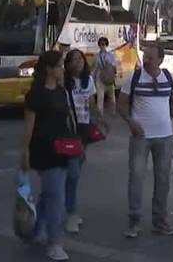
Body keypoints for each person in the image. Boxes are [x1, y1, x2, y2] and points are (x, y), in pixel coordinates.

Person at [117, 44, 173, 238]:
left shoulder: (168, 78)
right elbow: (121, 105)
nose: (146, 60)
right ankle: (134, 221)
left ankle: (160, 220)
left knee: (163, 180)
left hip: (164, 137)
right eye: (145, 56)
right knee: (136, 178)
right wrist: (131, 122)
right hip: (141, 138)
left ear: (160, 60)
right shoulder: (134, 78)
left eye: (150, 57)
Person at [21, 50, 73, 261]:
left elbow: (66, 120)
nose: (62, 69)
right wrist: (24, 152)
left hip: (63, 147)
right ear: (49, 69)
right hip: (44, 149)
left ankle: (37, 231)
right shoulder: (36, 94)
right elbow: (29, 128)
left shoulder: (61, 91)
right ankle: (55, 243)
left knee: (49, 195)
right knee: (56, 198)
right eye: (59, 66)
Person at [63, 49, 99, 236]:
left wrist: (99, 122)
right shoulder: (64, 83)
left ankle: (70, 209)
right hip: (69, 130)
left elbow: (91, 105)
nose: (78, 63)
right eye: (74, 60)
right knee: (73, 173)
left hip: (84, 129)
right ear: (67, 64)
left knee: (75, 171)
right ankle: (71, 213)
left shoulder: (89, 81)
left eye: (81, 60)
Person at [94, 37, 118, 118]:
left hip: (109, 76)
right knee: (100, 96)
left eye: (104, 44)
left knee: (111, 95)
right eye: (101, 44)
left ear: (106, 45)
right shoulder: (96, 56)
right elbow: (95, 67)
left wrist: (112, 75)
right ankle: (100, 113)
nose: (102, 46)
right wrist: (92, 77)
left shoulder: (111, 55)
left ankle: (113, 111)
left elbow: (114, 66)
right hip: (100, 76)